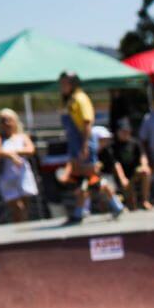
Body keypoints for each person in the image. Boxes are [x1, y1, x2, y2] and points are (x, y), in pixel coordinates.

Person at [58, 71, 101, 224]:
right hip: (75, 143)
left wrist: (84, 146)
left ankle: (80, 211)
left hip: (83, 141)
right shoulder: (70, 100)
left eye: (65, 83)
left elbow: (87, 123)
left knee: (90, 177)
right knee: (79, 177)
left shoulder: (79, 99)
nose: (62, 86)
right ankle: (80, 210)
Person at [0, 108, 38, 223]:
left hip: (22, 173)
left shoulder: (22, 136)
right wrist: (11, 156)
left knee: (25, 206)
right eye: (3, 121)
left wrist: (14, 153)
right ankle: (19, 228)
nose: (6, 123)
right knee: (17, 207)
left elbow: (31, 149)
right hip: (7, 175)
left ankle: (24, 230)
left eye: (9, 120)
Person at [104, 118, 152, 210]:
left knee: (146, 172)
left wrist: (144, 165)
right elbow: (116, 164)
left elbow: (142, 155)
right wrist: (122, 178)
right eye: (123, 131)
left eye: (127, 130)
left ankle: (145, 200)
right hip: (120, 176)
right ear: (117, 131)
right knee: (131, 203)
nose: (126, 133)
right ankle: (128, 204)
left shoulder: (135, 142)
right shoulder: (113, 146)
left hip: (134, 173)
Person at [90, 126, 126, 219]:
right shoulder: (89, 152)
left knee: (106, 186)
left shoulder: (107, 151)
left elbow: (115, 164)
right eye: (103, 139)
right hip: (89, 178)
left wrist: (122, 178)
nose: (106, 142)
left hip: (104, 177)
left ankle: (117, 207)